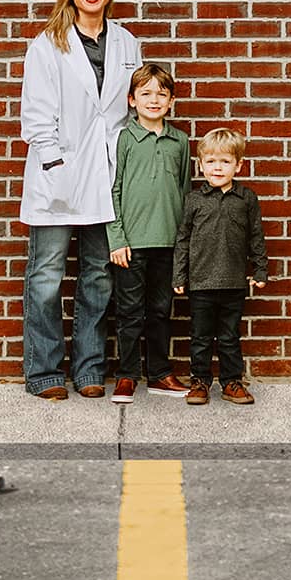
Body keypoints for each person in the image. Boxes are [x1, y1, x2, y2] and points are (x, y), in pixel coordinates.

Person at [17, 0, 140, 399]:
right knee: (47, 277)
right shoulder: (48, 42)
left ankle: (89, 369)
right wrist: (55, 162)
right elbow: (36, 116)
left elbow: (127, 109)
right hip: (60, 174)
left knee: (98, 275)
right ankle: (44, 373)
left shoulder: (126, 42)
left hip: (107, 175)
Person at [106, 63, 192, 402]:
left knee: (160, 310)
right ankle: (127, 375)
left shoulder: (180, 141)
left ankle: (159, 373)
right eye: (145, 94)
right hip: (131, 244)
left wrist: (183, 247)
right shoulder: (124, 139)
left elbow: (186, 194)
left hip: (168, 243)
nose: (153, 100)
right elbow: (112, 190)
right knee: (128, 312)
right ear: (131, 100)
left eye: (161, 94)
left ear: (170, 100)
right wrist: (117, 238)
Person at [173, 126, 269, 405]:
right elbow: (183, 239)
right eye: (211, 162)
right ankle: (200, 382)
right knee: (200, 338)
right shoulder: (194, 200)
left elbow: (256, 237)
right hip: (201, 282)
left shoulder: (247, 199)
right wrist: (179, 275)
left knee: (229, 338)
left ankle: (231, 382)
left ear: (238, 165)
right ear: (200, 164)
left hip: (234, 283)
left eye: (225, 162)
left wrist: (260, 270)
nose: (217, 168)